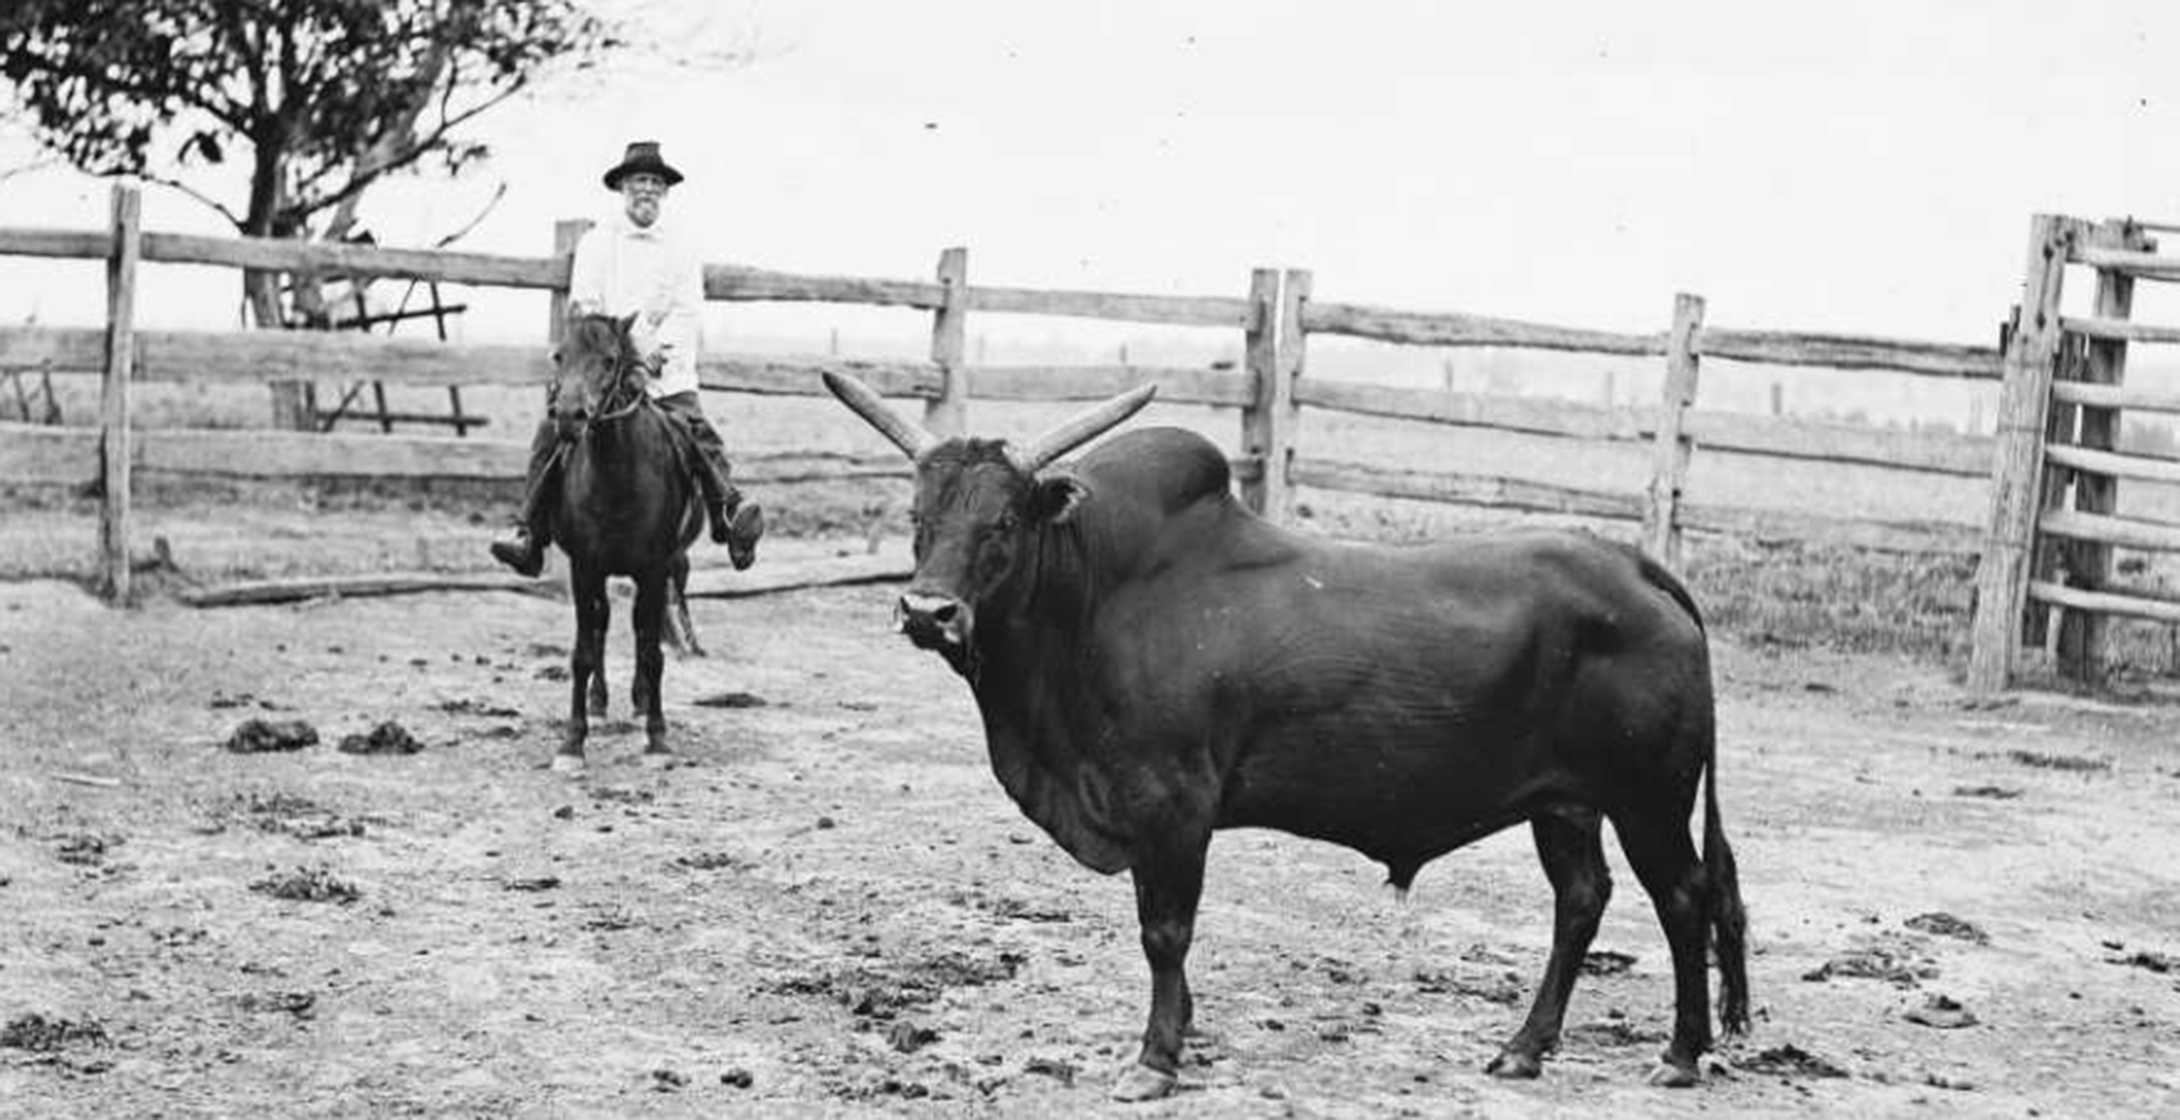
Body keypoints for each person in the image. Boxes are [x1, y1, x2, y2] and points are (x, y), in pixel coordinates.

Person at [491, 141, 764, 576]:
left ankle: (729, 515)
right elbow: (585, 306)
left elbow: (686, 309)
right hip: (603, 370)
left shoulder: (682, 247)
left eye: (656, 183)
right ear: (622, 187)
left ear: (665, 192)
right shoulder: (598, 244)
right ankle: (528, 531)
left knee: (697, 432)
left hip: (664, 369)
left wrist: (652, 358)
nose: (648, 191)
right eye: (640, 181)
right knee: (552, 432)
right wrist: (612, 358)